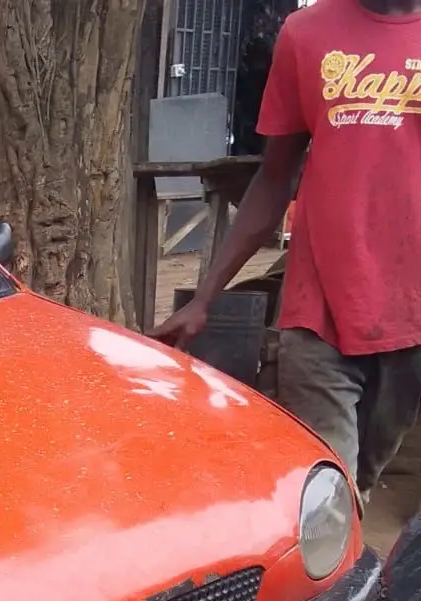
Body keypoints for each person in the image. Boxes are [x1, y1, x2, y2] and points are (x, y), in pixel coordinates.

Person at [153, 0, 421, 511]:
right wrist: (204, 297)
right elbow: (275, 176)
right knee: (326, 493)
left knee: (360, 478)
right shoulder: (307, 33)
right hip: (318, 308)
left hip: (411, 311)